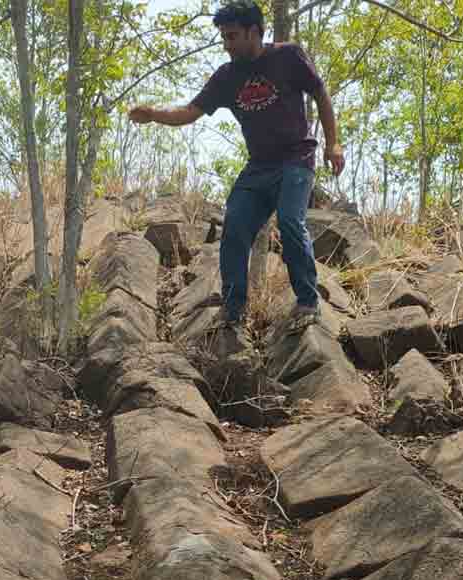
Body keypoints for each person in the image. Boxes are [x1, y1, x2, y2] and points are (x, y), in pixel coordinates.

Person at [129, 0, 344, 332]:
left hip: (296, 159)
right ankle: (233, 309)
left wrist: (333, 144)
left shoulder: (288, 56)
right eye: (223, 38)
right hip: (258, 167)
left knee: (290, 221)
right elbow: (189, 112)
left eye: (232, 37)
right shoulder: (226, 77)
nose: (226, 45)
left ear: (254, 32)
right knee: (234, 227)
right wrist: (154, 114)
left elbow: (320, 94)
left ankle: (307, 303)